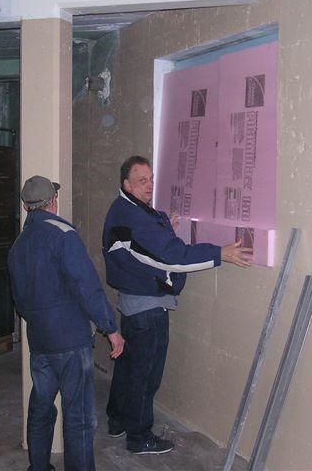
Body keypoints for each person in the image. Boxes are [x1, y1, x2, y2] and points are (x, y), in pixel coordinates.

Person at [102, 156, 252, 455]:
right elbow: (170, 256)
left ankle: (117, 420)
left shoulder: (126, 208)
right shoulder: (130, 218)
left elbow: (149, 225)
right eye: (142, 181)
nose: (149, 185)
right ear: (126, 184)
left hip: (134, 304)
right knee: (146, 374)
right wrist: (219, 253)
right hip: (147, 308)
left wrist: (164, 223)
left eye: (151, 178)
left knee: (129, 367)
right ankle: (139, 436)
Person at [8, 175, 124, 471]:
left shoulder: (18, 247)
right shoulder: (63, 235)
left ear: (25, 206)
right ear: (53, 202)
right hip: (70, 341)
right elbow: (87, 286)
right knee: (80, 418)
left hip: (40, 343)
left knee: (41, 409)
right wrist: (110, 329)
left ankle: (39, 467)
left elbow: (19, 301)